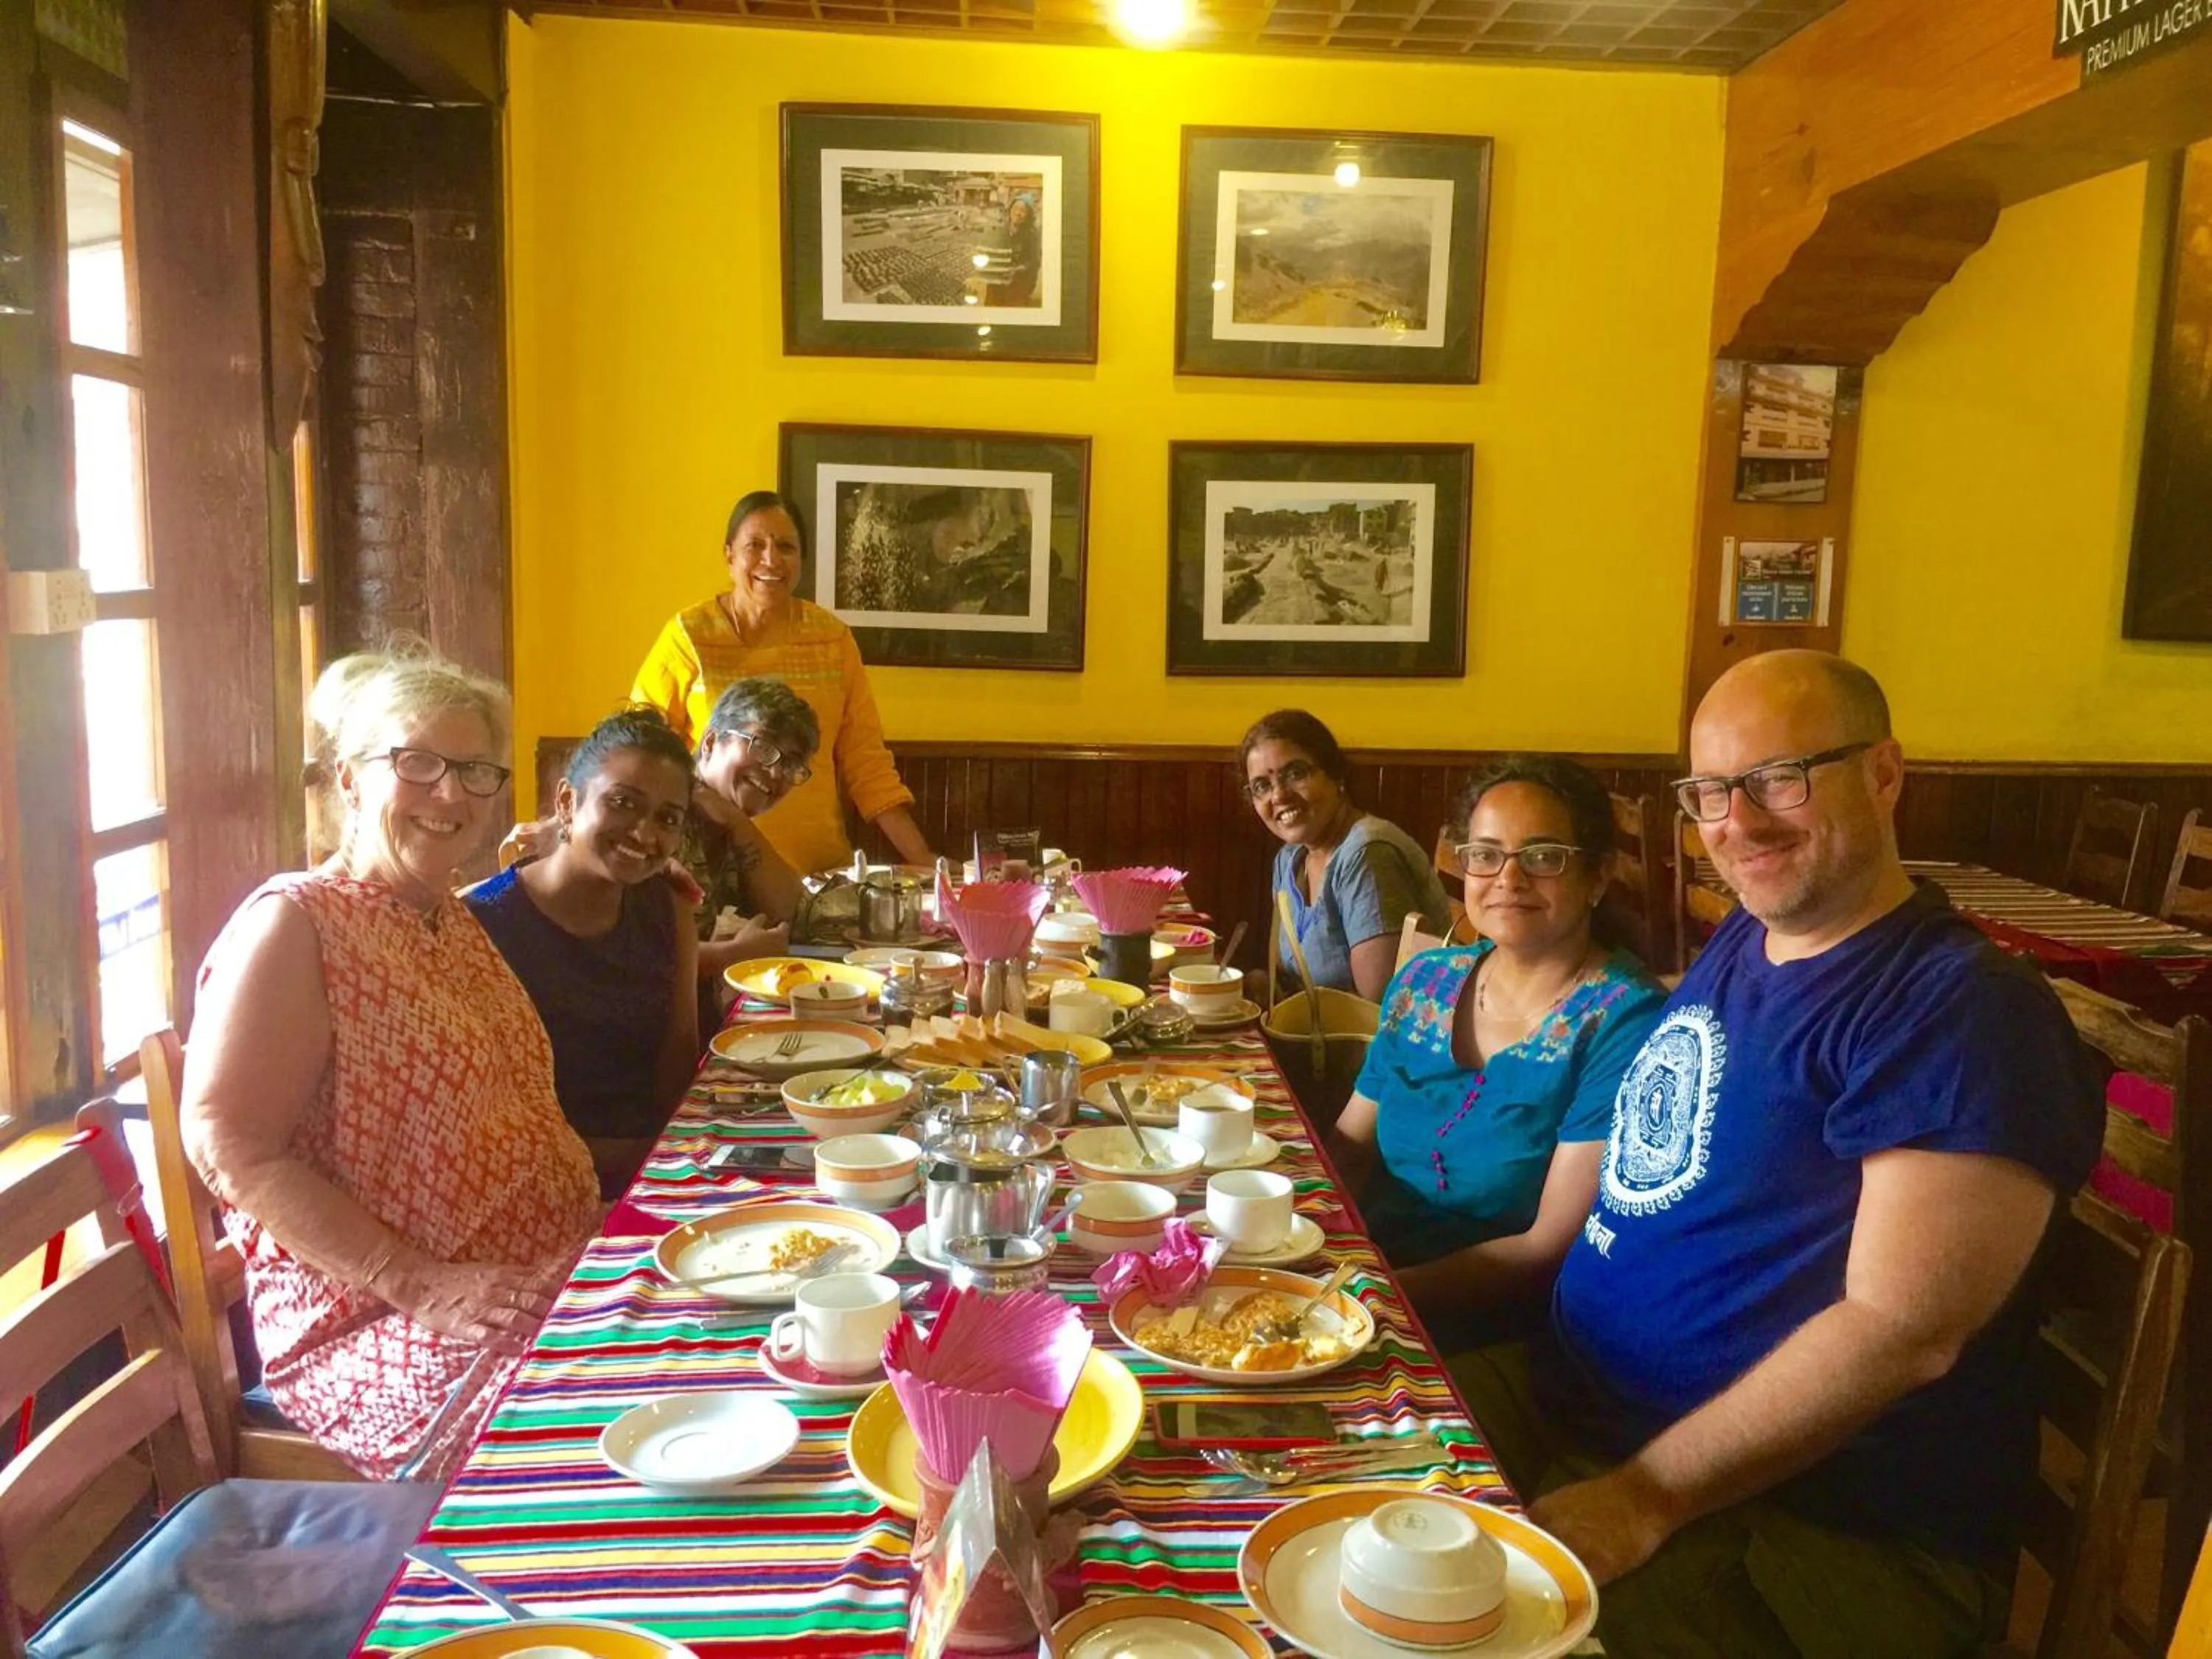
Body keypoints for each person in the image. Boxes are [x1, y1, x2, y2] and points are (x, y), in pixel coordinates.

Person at [1453, 650, 2102, 1658]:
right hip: (1580, 1408)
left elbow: (1902, 1329)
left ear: (1885, 773)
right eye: (1711, 790)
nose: (1738, 822)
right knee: (1322, 1468)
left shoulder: (1959, 1009)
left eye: (1780, 778)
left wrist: (1646, 1495)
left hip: (1810, 1528)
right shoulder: (1748, 943)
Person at [181, 644, 600, 1482]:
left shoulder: (444, 915)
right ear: (349, 779)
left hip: (533, 1283)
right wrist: (418, 1283)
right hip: (381, 1327)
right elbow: (227, 1139)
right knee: (597, 1441)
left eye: (476, 770)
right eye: (417, 762)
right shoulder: (298, 923)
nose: (451, 793)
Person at [1329, 756, 1664, 1349]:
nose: (1507, 879)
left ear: (1598, 876)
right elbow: (1350, 1147)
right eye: (1485, 855)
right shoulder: (1424, 983)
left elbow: (1544, 1249)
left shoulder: (1624, 1022)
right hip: (1362, 1289)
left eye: (1543, 857)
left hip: (1498, 1331)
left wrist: (1375, 1296)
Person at [629, 490, 933, 874]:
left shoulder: (832, 639)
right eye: (754, 545)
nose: (771, 560)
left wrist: (923, 859)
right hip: (710, 870)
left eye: (786, 547)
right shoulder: (688, 636)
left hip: (816, 872)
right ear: (729, 555)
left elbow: (866, 762)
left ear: (801, 560)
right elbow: (638, 749)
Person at [465, 707, 700, 1200]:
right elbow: (483, 1118)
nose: (645, 833)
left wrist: (673, 1166)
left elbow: (678, 1054)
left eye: (667, 818)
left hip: (656, 1170)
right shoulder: (484, 925)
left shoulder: (667, 906)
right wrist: (643, 1159)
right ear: (569, 802)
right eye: (622, 803)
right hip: (532, 1186)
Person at [1242, 709, 1452, 1002]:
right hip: (1313, 1033)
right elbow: (1285, 977)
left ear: (1336, 774)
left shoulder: (1367, 854)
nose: (1278, 796)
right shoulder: (1290, 860)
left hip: (1364, 1042)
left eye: (1296, 773)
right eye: (1261, 786)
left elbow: (1373, 1005)